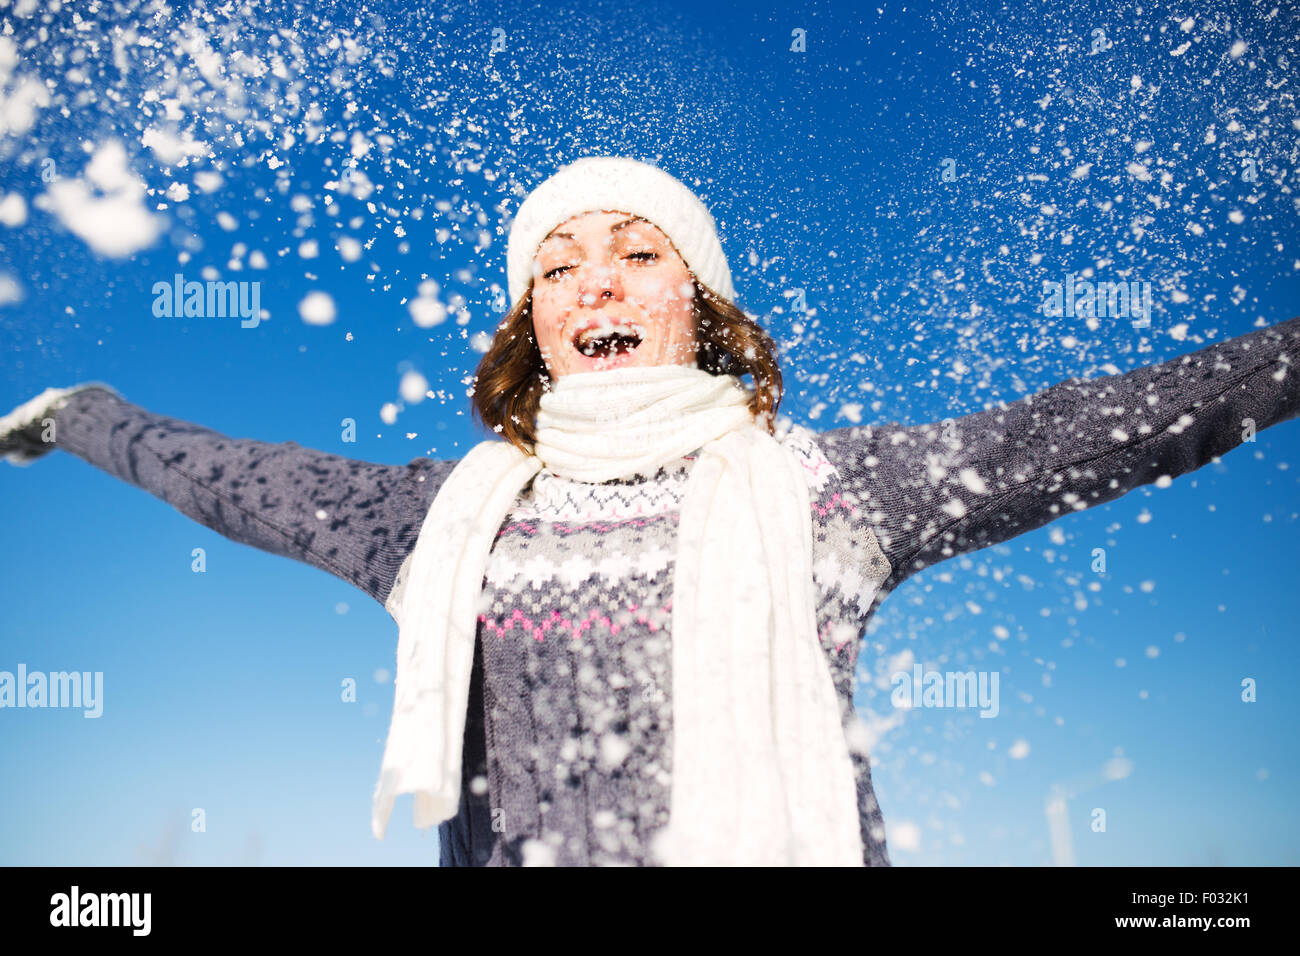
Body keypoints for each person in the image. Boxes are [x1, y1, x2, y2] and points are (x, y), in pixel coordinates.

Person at [3, 156, 1298, 867]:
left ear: (702, 306)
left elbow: (1098, 426)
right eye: (555, 270)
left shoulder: (833, 491)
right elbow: (236, 479)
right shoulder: (440, 516)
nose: (592, 284)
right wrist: (77, 412)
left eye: (636, 253)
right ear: (536, 332)